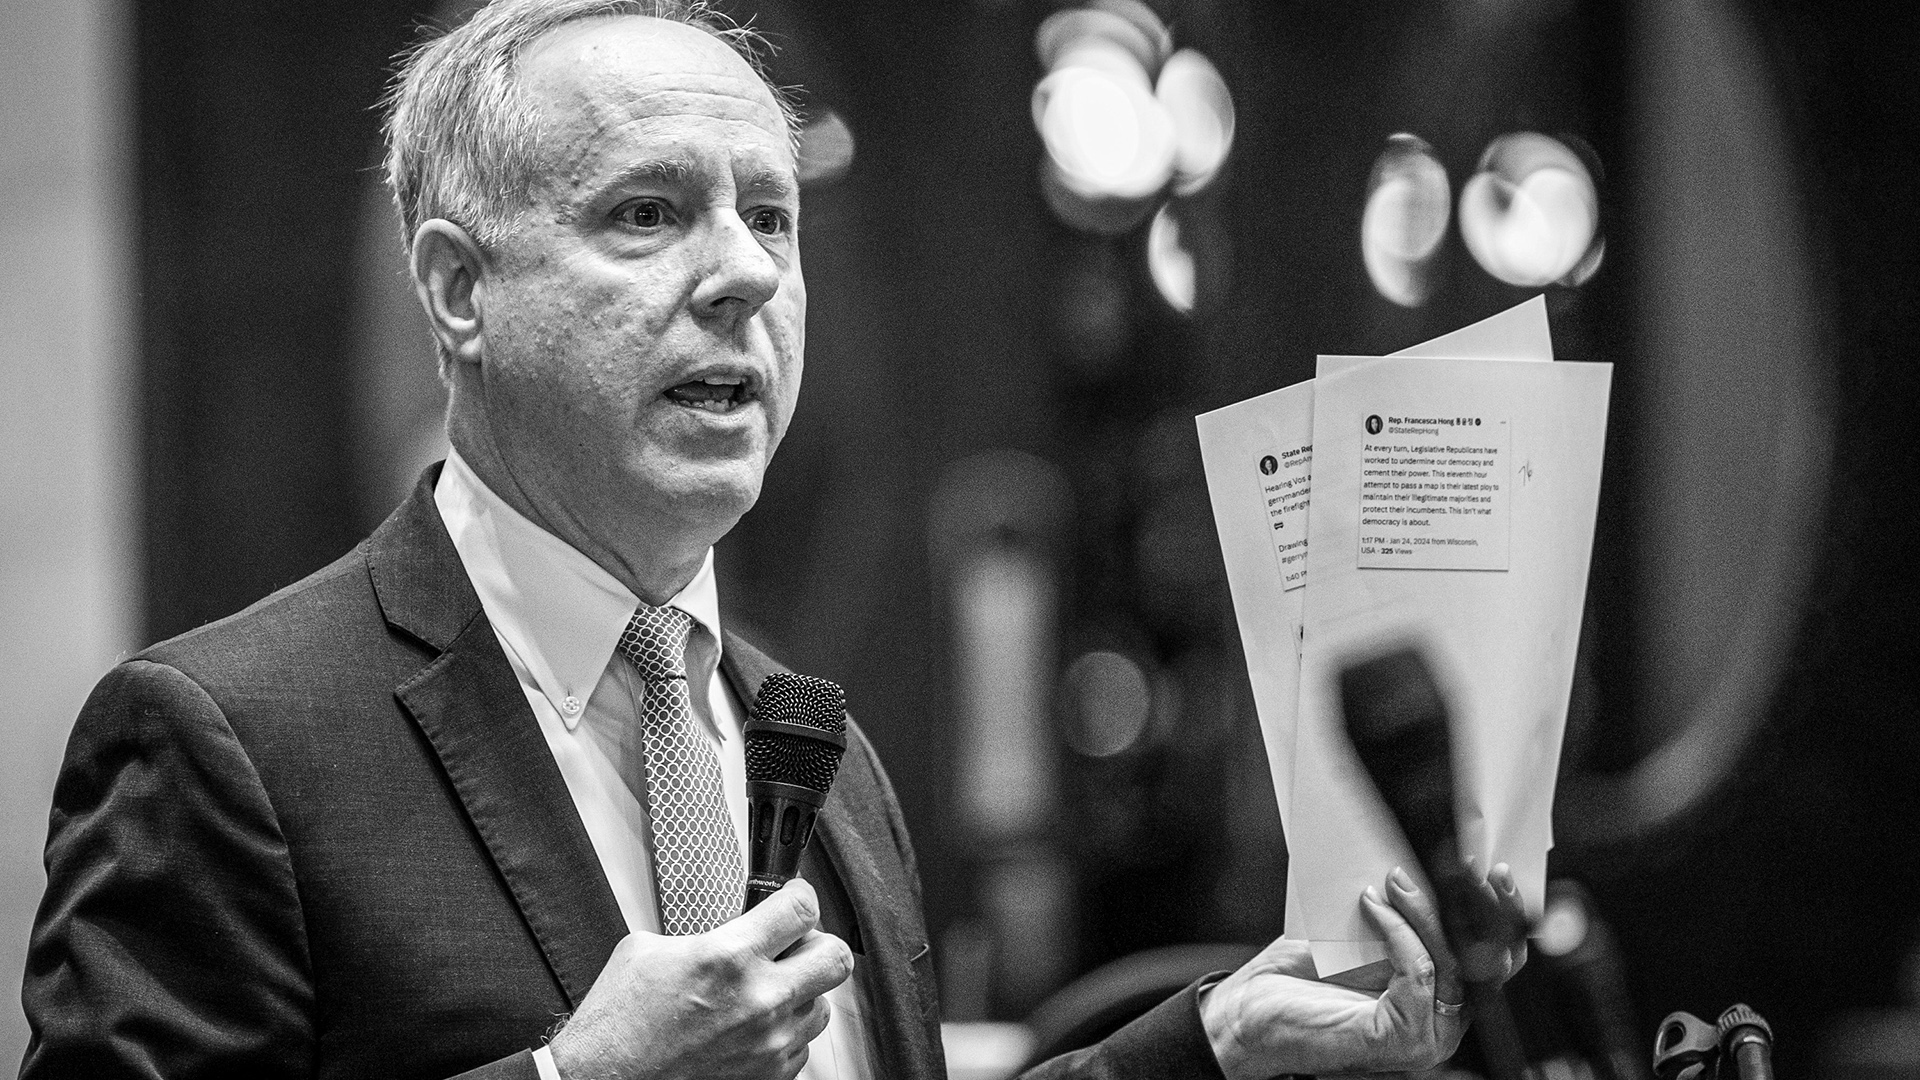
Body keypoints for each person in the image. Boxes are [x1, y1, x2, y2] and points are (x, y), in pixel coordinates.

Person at [19, 2, 1527, 1078]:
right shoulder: (227, 741)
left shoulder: (818, 758)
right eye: (647, 214)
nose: (742, 273)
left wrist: (1213, 1045)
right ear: (458, 291)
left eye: (772, 216)